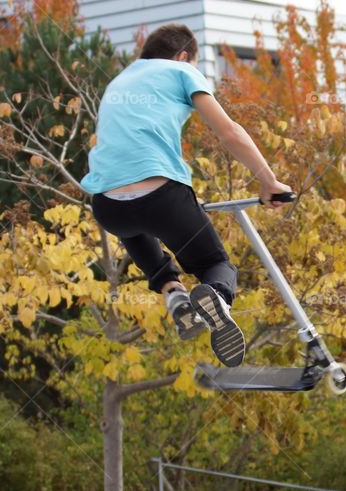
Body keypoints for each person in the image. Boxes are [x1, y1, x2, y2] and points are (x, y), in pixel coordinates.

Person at [80, 23, 291, 368]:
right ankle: (218, 299)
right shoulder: (180, 71)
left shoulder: (118, 83)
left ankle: (175, 298)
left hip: (106, 205)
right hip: (162, 197)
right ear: (182, 56)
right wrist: (269, 181)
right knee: (215, 265)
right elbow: (230, 133)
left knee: (137, 228)